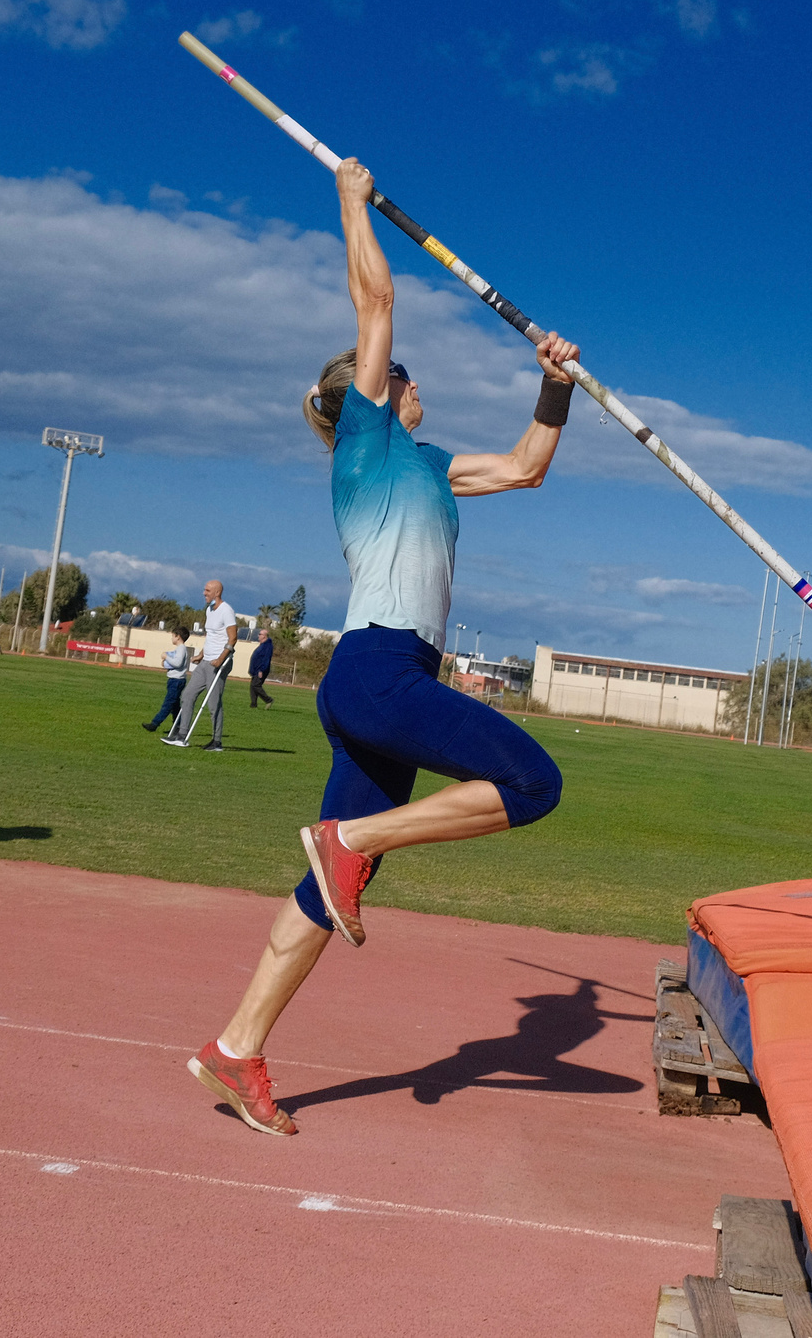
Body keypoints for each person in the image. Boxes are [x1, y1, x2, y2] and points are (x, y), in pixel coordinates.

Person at [188, 154, 578, 1137]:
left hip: (383, 693)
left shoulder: (438, 469)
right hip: (377, 671)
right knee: (531, 786)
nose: (412, 379)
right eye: (400, 374)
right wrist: (349, 204)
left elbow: (530, 468)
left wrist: (553, 386)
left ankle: (236, 1048)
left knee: (323, 899)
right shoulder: (364, 445)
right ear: (375, 390)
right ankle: (349, 841)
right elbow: (376, 305)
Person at [161, 579, 239, 751]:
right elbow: (211, 637)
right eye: (204, 590)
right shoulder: (209, 610)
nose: (204, 593)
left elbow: (233, 638)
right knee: (187, 695)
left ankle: (217, 741)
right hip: (205, 661)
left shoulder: (226, 611)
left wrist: (220, 659)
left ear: (217, 592)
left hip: (219, 663)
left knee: (213, 703)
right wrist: (201, 655)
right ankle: (181, 735)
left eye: (208, 590)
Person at [143, 636, 191, 733]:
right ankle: (178, 727)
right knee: (175, 705)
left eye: (173, 636)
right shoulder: (179, 649)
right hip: (174, 680)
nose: (171, 638)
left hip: (176, 681)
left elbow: (177, 663)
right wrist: (165, 664)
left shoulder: (181, 649)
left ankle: (154, 724)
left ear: (178, 637)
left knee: (168, 704)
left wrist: (166, 657)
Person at [247, 627, 277, 707]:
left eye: (260, 634)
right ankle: (253, 704)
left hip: (261, 670)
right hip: (256, 669)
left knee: (256, 685)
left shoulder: (267, 646)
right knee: (253, 686)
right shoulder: (262, 645)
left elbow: (266, 659)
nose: (258, 636)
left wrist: (261, 670)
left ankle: (268, 700)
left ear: (264, 636)